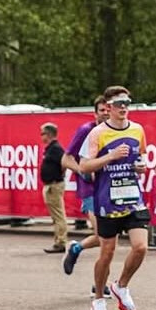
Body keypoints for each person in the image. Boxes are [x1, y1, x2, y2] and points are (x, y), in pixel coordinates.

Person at [77, 90, 149, 310]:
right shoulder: (97, 133)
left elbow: (141, 157)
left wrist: (140, 167)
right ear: (108, 107)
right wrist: (110, 156)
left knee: (141, 247)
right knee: (107, 252)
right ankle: (98, 299)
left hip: (133, 198)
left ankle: (121, 286)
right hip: (107, 200)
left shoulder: (137, 130)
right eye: (119, 103)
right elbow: (84, 166)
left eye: (127, 102)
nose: (124, 107)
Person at [62, 94, 111, 290]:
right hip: (90, 191)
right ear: (95, 113)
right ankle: (100, 285)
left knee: (105, 238)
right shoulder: (86, 130)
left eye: (108, 110)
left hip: (110, 190)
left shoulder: (115, 132)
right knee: (105, 238)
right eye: (102, 110)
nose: (106, 113)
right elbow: (66, 159)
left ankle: (76, 248)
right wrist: (82, 170)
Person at [39, 122, 68, 253]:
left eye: (43, 134)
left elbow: (64, 162)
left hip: (54, 185)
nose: (41, 137)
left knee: (58, 215)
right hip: (51, 185)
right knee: (55, 216)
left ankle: (60, 242)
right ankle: (58, 240)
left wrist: (59, 174)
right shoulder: (51, 148)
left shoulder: (55, 148)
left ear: (49, 134)